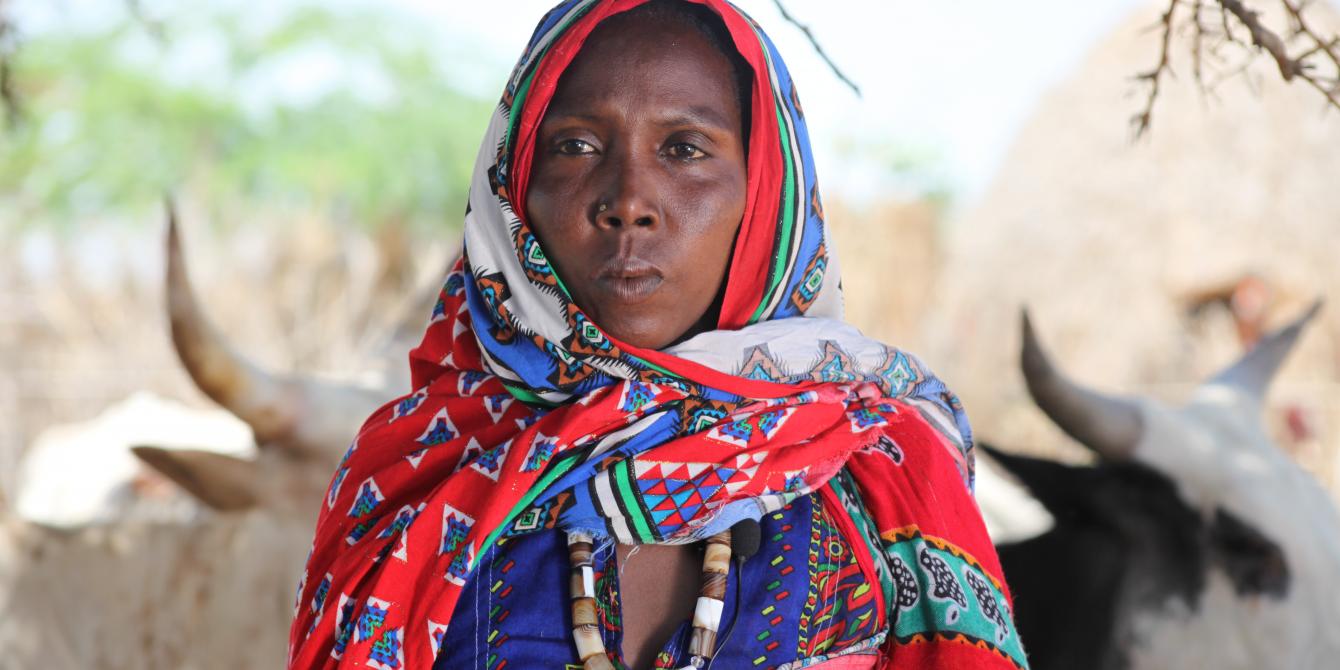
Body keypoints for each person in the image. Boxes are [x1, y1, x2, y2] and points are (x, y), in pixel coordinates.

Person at [288, 1, 1028, 669]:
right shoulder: (415, 479)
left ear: (765, 192)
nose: (630, 200)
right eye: (575, 146)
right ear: (513, 187)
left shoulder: (879, 466)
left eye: (685, 149)